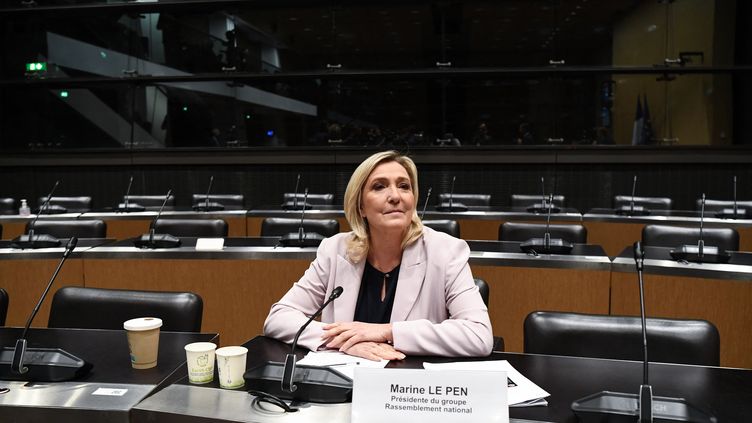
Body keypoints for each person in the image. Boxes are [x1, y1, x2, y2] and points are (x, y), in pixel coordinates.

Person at [264, 151, 493, 361]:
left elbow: (479, 335)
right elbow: (278, 318)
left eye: (404, 186)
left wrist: (386, 331)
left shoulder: (446, 251)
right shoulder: (335, 251)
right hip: (345, 385)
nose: (395, 196)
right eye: (379, 187)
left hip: (411, 389)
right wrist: (343, 342)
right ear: (361, 206)